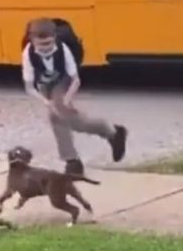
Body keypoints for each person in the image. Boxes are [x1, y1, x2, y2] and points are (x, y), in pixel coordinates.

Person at [21, 18, 127, 175]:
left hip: (65, 81)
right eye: (42, 44)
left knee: (59, 115)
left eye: (49, 43)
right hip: (44, 84)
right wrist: (46, 101)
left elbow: (75, 79)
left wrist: (67, 99)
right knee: (62, 119)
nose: (46, 48)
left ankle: (73, 162)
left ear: (55, 38)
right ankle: (111, 134)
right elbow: (29, 87)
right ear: (32, 40)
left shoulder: (63, 50)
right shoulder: (28, 53)